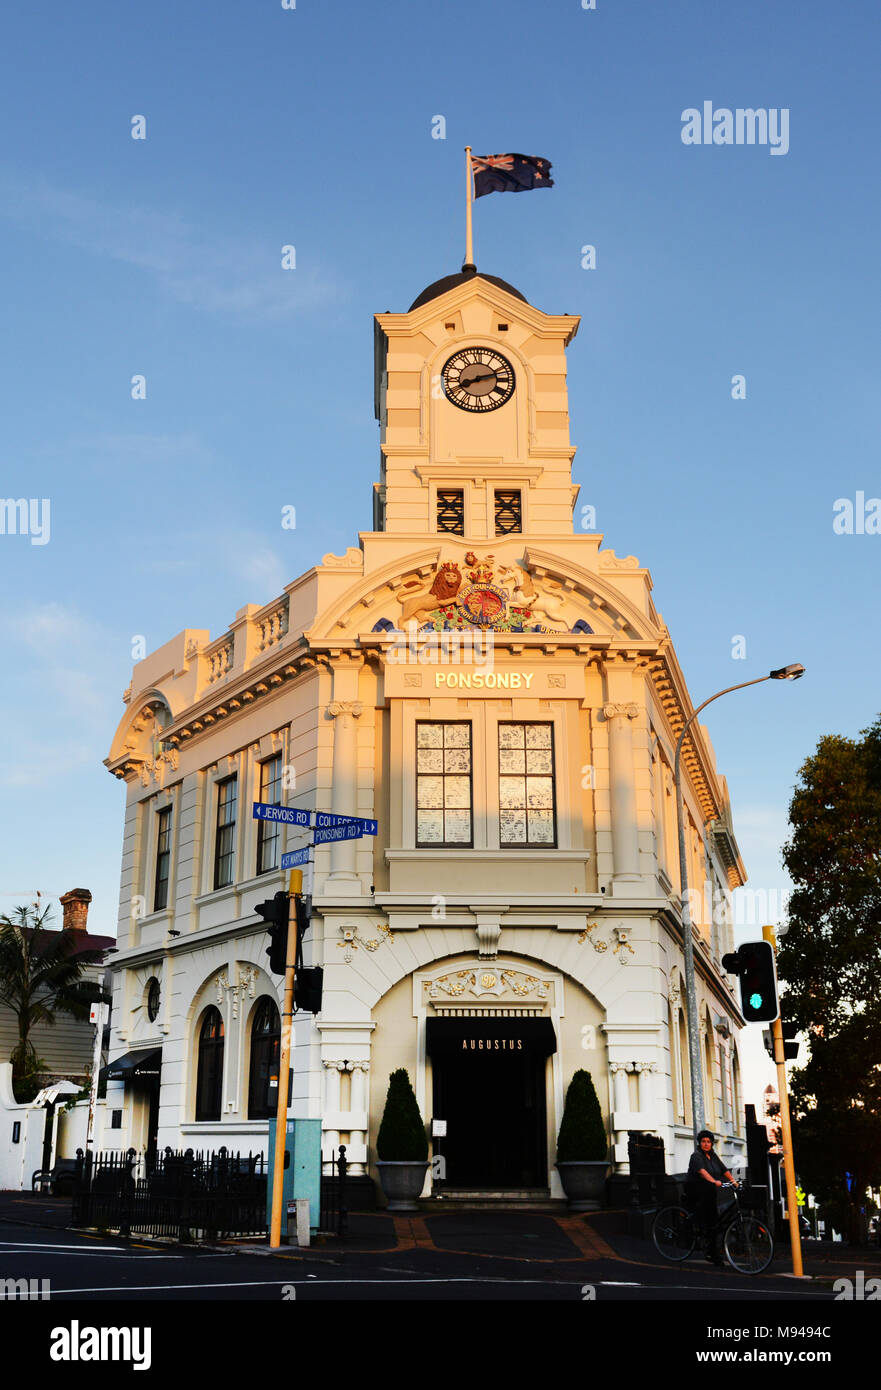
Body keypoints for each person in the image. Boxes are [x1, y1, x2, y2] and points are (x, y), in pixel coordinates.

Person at [686, 1130, 739, 1265]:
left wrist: (734, 1181)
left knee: (715, 1223)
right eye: (703, 1141)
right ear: (700, 1143)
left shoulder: (713, 1156)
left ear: (711, 1143)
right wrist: (714, 1181)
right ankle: (711, 1251)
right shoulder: (696, 1156)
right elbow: (702, 1172)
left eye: (708, 1142)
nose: (706, 1144)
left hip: (710, 1192)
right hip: (697, 1192)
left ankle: (711, 1251)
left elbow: (724, 1169)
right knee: (710, 1222)